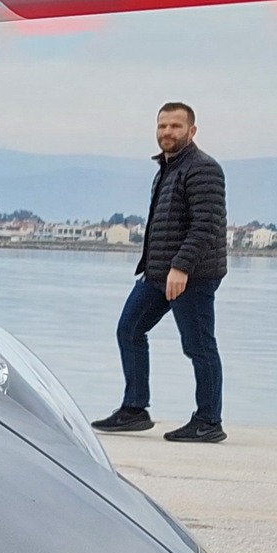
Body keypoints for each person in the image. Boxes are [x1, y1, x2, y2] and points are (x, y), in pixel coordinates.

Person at [92, 102, 227, 443]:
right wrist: (157, 267)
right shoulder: (168, 168)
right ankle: (135, 409)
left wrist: (181, 267)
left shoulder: (203, 169)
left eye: (176, 126)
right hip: (158, 272)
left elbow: (206, 225)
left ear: (191, 131)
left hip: (192, 274)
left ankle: (209, 421)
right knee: (129, 329)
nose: (168, 132)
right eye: (162, 126)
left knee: (198, 346)